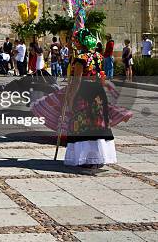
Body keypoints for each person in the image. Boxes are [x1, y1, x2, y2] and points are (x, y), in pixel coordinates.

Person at [31, 29, 132, 171]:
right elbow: (101, 76)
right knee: (97, 124)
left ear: (81, 42)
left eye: (76, 40)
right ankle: (97, 157)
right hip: (97, 94)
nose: (74, 43)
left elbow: (77, 81)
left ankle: (86, 157)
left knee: (82, 125)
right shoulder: (99, 56)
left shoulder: (81, 59)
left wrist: (70, 98)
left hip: (84, 94)